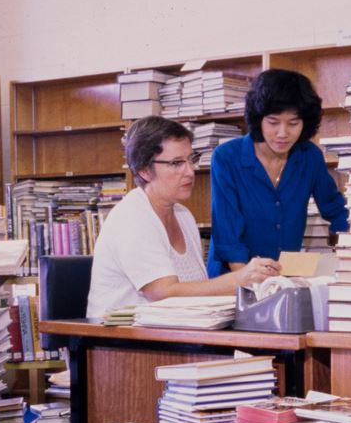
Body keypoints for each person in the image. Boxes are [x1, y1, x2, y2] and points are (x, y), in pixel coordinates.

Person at [86, 116, 278, 318]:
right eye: (176, 163)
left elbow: (197, 291)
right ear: (144, 170)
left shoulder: (183, 215)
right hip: (120, 340)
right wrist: (239, 279)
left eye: (191, 159)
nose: (190, 171)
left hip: (176, 331)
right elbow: (162, 293)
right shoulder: (131, 216)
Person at [205, 68, 349, 277]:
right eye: (273, 122)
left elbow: (336, 210)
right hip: (234, 279)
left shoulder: (309, 156)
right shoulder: (227, 157)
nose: (283, 133)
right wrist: (249, 282)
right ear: (258, 118)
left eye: (293, 123)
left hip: (284, 277)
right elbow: (228, 233)